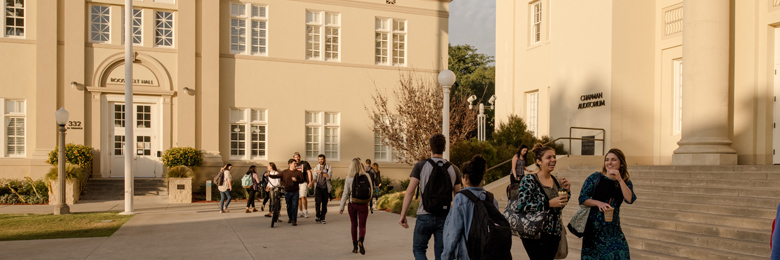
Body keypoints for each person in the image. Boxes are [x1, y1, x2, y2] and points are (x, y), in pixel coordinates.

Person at [399, 133, 463, 260]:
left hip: (424, 215)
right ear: (444, 148)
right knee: (441, 253)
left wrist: (403, 215)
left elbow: (410, 191)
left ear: (430, 148)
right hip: (444, 217)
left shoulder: (420, 166)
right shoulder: (454, 169)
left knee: (418, 249)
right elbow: (458, 197)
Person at [578, 148, 636, 259]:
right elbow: (582, 198)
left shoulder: (624, 181)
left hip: (614, 230)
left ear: (621, 163)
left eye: (613, 160)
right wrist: (598, 203)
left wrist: (619, 179)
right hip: (594, 231)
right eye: (607, 159)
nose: (609, 163)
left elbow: (630, 199)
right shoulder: (595, 177)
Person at [517, 143, 571, 260]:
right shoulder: (529, 180)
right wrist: (549, 204)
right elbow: (522, 205)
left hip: (554, 233)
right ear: (538, 161)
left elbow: (560, 206)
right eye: (548, 157)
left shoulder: (556, 181)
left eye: (554, 157)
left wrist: (567, 191)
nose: (553, 160)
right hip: (535, 233)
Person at [441, 155, 500, 260]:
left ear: (465, 177)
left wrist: (446, 255)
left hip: (467, 253)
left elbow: (454, 231)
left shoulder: (461, 198)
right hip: (488, 252)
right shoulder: (490, 198)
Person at [340, 158, 374, 255]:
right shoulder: (366, 175)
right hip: (363, 204)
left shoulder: (349, 177)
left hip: (352, 204)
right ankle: (361, 240)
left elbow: (345, 193)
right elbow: (370, 190)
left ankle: (355, 247)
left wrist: (341, 207)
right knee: (362, 225)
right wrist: (368, 201)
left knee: (354, 225)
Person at [269, 159, 305, 226]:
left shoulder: (298, 172)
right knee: (289, 206)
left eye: (296, 164)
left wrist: (296, 180)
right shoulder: (284, 172)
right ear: (290, 164)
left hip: (295, 192)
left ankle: (294, 220)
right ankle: (290, 217)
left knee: (294, 206)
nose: (295, 165)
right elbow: (277, 176)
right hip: (287, 191)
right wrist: (269, 175)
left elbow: (302, 180)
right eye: (294, 164)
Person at [313, 154, 333, 224]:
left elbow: (328, 177)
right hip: (318, 187)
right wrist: (310, 182)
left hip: (325, 188)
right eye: (319, 159)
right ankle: (318, 216)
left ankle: (323, 218)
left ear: (324, 159)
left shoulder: (329, 167)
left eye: (321, 159)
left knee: (324, 204)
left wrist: (321, 172)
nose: (320, 161)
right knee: (317, 202)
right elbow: (314, 178)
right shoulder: (316, 167)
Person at [293, 152, 313, 218]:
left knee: (303, 196)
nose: (296, 158)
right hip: (296, 182)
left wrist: (310, 181)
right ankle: (300, 211)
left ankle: (306, 211)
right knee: (298, 198)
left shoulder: (304, 163)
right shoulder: (293, 164)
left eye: (297, 157)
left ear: (300, 157)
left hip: (303, 182)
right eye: (295, 157)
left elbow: (308, 172)